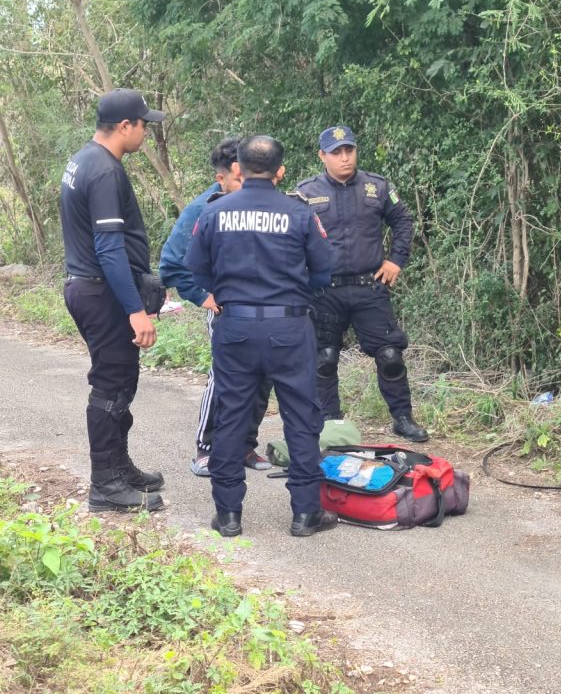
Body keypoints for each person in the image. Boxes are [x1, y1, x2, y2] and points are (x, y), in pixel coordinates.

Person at [184, 135, 338, 537]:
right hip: (289, 327)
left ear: (238, 168)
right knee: (301, 418)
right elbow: (323, 270)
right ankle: (305, 514)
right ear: (280, 171)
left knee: (231, 416)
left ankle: (228, 515)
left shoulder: (215, 212)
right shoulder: (300, 213)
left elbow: (195, 269)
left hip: (234, 327)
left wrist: (228, 292)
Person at [60, 88, 167, 513]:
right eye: (143, 124)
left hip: (90, 286)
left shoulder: (83, 159)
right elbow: (109, 249)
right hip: (100, 292)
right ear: (125, 126)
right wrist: (135, 310)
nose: (145, 132)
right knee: (110, 387)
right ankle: (105, 485)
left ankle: (119, 468)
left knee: (122, 382)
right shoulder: (105, 171)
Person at [297, 125, 427, 442]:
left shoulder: (376, 187)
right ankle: (330, 423)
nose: (345, 158)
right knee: (324, 358)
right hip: (324, 291)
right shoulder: (306, 193)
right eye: (336, 153)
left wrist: (396, 260)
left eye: (349, 150)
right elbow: (291, 237)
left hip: (369, 287)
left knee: (390, 355)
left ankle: (403, 418)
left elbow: (403, 220)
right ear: (322, 156)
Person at [159, 138, 273, 477]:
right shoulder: (203, 208)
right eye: (239, 179)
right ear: (222, 177)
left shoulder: (265, 203)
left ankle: (244, 444)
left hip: (266, 307)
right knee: (226, 374)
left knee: (262, 374)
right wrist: (202, 296)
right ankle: (206, 448)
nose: (247, 184)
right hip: (225, 307)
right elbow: (171, 262)